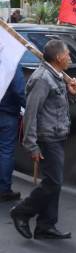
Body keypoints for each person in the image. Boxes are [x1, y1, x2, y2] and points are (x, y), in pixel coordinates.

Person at [10, 40, 76, 240]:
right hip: (47, 137)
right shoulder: (43, 78)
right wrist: (31, 145)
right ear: (59, 57)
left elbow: (56, 106)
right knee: (53, 182)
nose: (69, 57)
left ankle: (46, 225)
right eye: (68, 54)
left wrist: (71, 94)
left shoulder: (56, 76)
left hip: (56, 135)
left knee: (54, 182)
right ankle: (22, 212)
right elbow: (30, 113)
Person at [0, 64, 25, 201]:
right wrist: (30, 107)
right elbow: (19, 90)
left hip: (6, 111)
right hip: (7, 112)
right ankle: (3, 190)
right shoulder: (12, 63)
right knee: (6, 152)